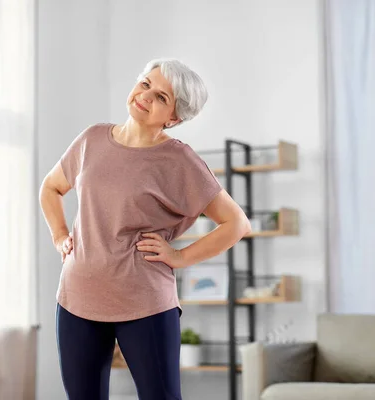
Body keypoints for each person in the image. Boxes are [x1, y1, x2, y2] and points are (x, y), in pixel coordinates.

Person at [38, 58, 251, 400]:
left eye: (162, 97)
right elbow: (50, 188)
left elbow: (236, 223)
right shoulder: (92, 139)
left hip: (146, 302)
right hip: (78, 297)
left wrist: (179, 257)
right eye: (145, 83)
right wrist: (60, 236)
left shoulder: (179, 160)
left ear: (174, 117)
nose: (146, 96)